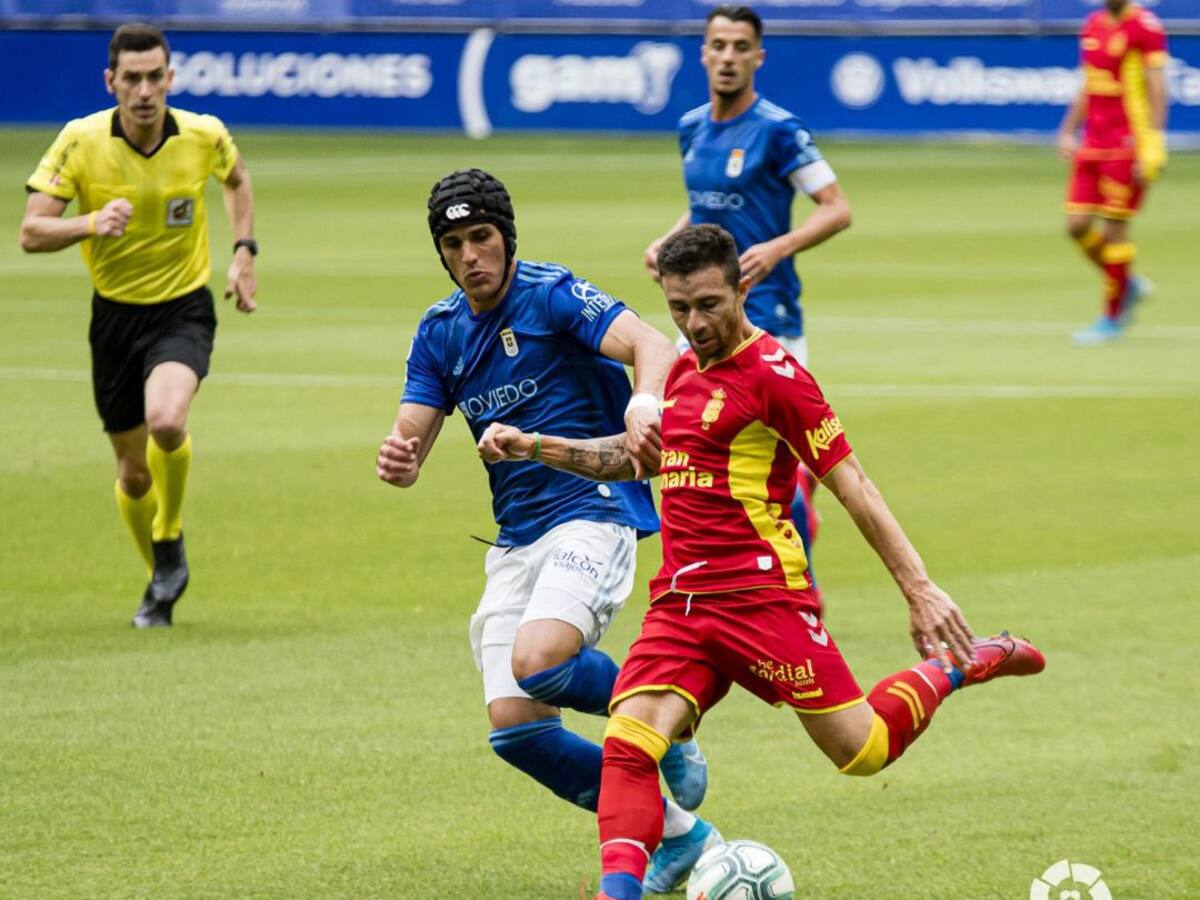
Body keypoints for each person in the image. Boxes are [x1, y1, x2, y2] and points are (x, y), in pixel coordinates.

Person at [478, 225, 1045, 900]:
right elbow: (638, 458)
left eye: (710, 304)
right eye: (680, 307)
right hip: (681, 605)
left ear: (744, 287)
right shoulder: (683, 369)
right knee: (631, 746)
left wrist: (919, 589)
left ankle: (956, 665)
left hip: (762, 599)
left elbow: (853, 482)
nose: (695, 323)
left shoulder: (777, 378)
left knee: (859, 751)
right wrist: (534, 445)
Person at [375, 169, 716, 883]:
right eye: (454, 243)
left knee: (542, 662)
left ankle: (670, 723)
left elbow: (655, 345)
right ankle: (678, 832)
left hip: (591, 513)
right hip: (517, 537)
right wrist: (402, 456)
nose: (470, 255)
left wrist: (644, 404)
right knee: (518, 729)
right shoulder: (440, 332)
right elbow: (412, 428)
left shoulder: (552, 294)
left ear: (506, 238)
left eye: (481, 237)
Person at [19, 23, 258, 628]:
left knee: (167, 420)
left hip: (182, 307)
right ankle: (160, 573)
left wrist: (244, 249)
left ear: (171, 78)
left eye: (156, 76)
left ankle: (170, 531)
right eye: (132, 78)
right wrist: (89, 223)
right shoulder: (81, 141)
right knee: (130, 471)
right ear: (111, 81)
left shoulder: (204, 135)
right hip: (114, 317)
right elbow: (31, 231)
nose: (145, 89)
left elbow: (236, 180)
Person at [644, 4, 852, 599]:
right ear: (703, 53)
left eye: (741, 46)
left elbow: (837, 207)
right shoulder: (691, 126)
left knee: (784, 475)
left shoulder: (780, 130)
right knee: (696, 461)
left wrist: (774, 250)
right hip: (702, 322)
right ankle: (710, 582)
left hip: (771, 318)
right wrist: (671, 239)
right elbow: (707, 209)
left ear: (758, 56)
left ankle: (797, 598)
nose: (729, 57)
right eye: (719, 45)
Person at [1058, 0, 1169, 345]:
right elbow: (1089, 86)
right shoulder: (1092, 25)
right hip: (1093, 142)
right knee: (1076, 226)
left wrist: (1150, 143)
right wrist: (1067, 129)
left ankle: (1112, 317)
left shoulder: (1145, 27)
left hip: (1127, 143)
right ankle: (1126, 282)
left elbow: (1157, 88)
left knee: (1113, 230)